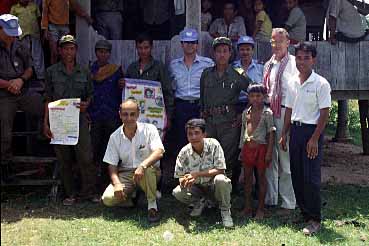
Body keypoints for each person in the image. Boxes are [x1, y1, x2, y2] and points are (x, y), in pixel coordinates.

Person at [280, 42, 331, 235]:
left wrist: (315, 139)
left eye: (306, 58)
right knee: (297, 175)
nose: (302, 62)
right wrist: (284, 133)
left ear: (314, 59)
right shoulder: (292, 81)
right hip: (296, 132)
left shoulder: (321, 83)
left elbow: (324, 113)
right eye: (299, 58)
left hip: (312, 132)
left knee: (311, 178)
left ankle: (315, 219)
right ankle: (304, 214)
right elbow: (289, 110)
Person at [43, 35, 98, 206]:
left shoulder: (84, 71)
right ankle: (70, 193)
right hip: (58, 120)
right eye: (65, 48)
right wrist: (45, 123)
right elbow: (47, 98)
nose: (69, 51)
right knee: (64, 158)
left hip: (79, 118)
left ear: (76, 51)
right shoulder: (51, 72)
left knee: (86, 157)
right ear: (60, 51)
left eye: (72, 48)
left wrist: (87, 104)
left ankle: (88, 192)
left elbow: (90, 95)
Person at [200, 37, 251, 192]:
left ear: (230, 54)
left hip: (229, 122)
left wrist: (243, 114)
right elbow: (202, 98)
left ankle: (228, 190)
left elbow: (254, 93)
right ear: (213, 54)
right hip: (210, 122)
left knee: (229, 157)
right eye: (218, 51)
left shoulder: (237, 74)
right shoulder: (206, 74)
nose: (221, 55)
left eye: (225, 51)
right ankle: (209, 191)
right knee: (209, 155)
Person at [101, 99, 164, 223]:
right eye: (125, 114)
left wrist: (143, 165)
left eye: (132, 114)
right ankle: (132, 198)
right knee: (108, 199)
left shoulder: (149, 129)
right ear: (119, 115)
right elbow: (112, 165)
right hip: (126, 174)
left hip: (148, 171)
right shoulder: (114, 136)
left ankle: (152, 206)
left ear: (138, 114)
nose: (129, 118)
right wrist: (117, 183)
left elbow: (159, 152)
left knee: (147, 170)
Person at [0, 14, 43, 172]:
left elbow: (30, 68)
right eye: (8, 33)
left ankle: (43, 140)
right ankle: (6, 164)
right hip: (4, 94)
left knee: (45, 107)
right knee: (5, 130)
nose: (12, 37)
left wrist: (21, 80)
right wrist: (8, 84)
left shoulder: (20, 45)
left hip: (22, 90)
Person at [172, 119, 233, 228]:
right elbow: (180, 176)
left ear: (204, 134)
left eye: (197, 133)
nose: (193, 137)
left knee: (221, 179)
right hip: (197, 188)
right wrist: (184, 181)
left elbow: (221, 169)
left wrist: (197, 174)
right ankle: (199, 202)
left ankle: (225, 211)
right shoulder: (183, 152)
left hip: (214, 187)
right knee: (177, 192)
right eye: (190, 134)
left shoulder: (214, 144)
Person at [263, 28, 297, 213]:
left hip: (285, 112)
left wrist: (289, 121)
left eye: (280, 41)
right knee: (270, 157)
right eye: (273, 42)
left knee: (285, 158)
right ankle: (270, 199)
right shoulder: (268, 64)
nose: (276, 45)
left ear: (288, 43)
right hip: (269, 112)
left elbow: (294, 93)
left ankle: (288, 202)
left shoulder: (293, 63)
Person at [169, 28, 214, 152]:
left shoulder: (207, 64)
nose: (190, 45)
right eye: (187, 42)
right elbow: (169, 87)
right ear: (182, 44)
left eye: (193, 42)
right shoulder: (173, 65)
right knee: (181, 139)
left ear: (197, 45)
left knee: (200, 139)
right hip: (180, 105)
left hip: (199, 105)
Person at [88, 40, 124, 190]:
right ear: (96, 53)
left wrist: (123, 84)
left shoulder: (116, 70)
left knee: (112, 151)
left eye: (106, 52)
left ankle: (110, 182)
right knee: (95, 151)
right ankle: (94, 184)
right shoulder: (90, 71)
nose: (103, 54)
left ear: (109, 54)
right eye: (100, 51)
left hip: (112, 116)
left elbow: (123, 91)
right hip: (95, 116)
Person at [239, 83, 275, 219]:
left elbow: (271, 133)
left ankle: (261, 209)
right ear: (248, 97)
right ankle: (247, 207)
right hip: (248, 149)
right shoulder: (246, 113)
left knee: (261, 178)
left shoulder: (267, 113)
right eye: (252, 96)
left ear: (264, 97)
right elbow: (243, 131)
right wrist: (242, 149)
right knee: (247, 179)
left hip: (261, 149)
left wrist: (269, 152)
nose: (255, 99)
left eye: (258, 96)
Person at [125, 33, 174, 127]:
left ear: (152, 47)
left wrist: (168, 116)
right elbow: (127, 91)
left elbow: (168, 92)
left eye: (146, 47)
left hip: (155, 114)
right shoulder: (132, 68)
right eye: (140, 48)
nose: (143, 51)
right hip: (135, 115)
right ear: (136, 48)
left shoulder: (159, 67)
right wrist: (123, 84)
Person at [41, 0, 93, 64]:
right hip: (53, 26)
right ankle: (53, 72)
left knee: (66, 52)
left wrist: (86, 16)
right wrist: (45, 29)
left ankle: (64, 70)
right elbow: (45, 11)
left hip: (65, 26)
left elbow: (75, 6)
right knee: (54, 53)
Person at [10, 0, 45, 79]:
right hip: (21, 36)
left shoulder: (34, 6)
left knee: (37, 55)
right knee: (24, 55)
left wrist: (42, 33)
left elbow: (39, 20)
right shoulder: (14, 8)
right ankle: (25, 76)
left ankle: (41, 76)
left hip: (34, 34)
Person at [232, 35, 264, 110]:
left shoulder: (260, 67)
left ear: (252, 50)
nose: (245, 52)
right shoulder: (233, 67)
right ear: (238, 51)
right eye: (242, 49)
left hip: (256, 105)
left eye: (248, 49)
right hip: (236, 105)